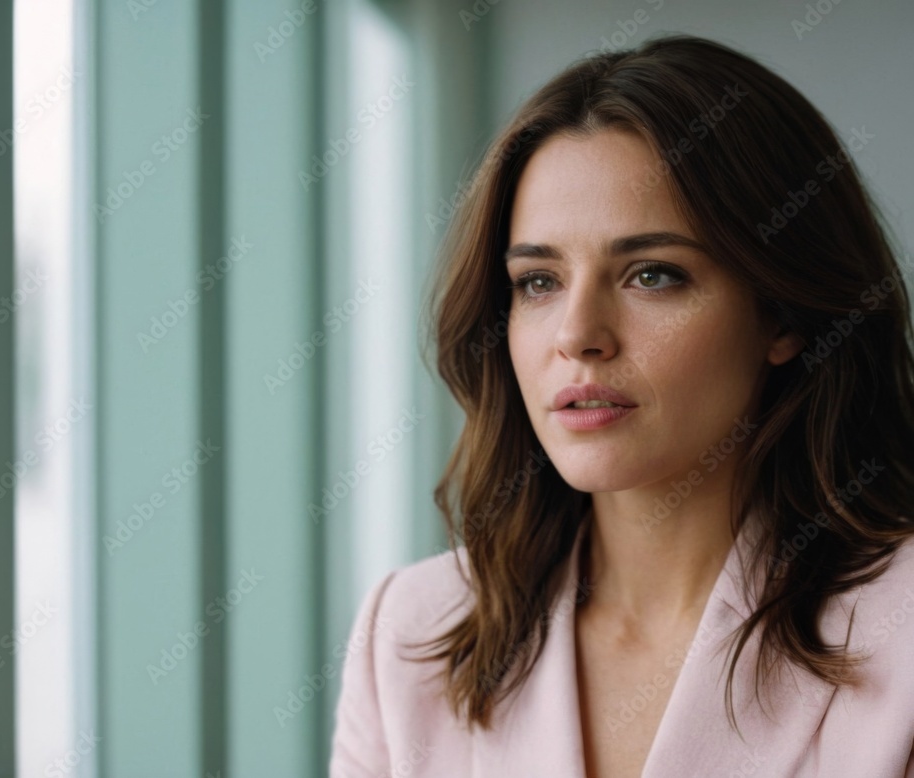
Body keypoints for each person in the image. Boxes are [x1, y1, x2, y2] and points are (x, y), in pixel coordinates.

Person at [329, 33, 914, 778]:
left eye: (652, 275)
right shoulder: (411, 632)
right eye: (538, 281)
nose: (577, 335)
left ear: (784, 316)